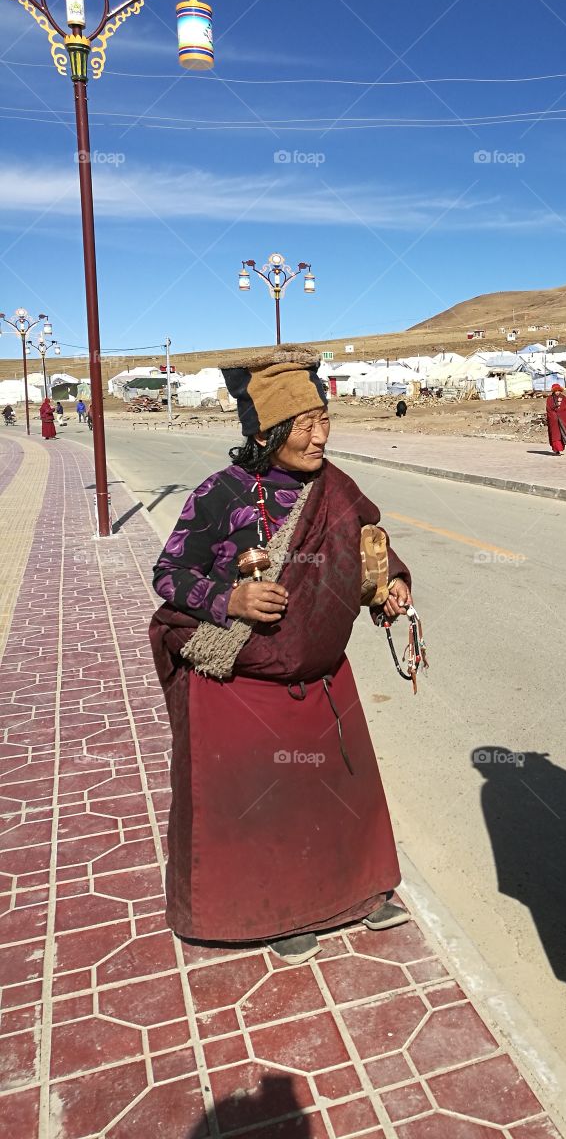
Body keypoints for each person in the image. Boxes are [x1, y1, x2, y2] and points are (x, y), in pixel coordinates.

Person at [150, 346, 413, 965]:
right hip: (242, 686)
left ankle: (352, 893)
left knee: (334, 798)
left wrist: (393, 583)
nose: (320, 435)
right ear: (267, 433)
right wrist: (230, 598)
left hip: (319, 677)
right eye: (304, 425)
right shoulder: (221, 493)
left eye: (324, 420)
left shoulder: (336, 489)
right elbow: (169, 573)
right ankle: (276, 912)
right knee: (263, 806)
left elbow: (371, 548)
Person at [545, 383, 566, 455]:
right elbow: (548, 409)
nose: (557, 392)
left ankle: (560, 448)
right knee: (555, 435)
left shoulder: (564, 398)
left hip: (562, 419)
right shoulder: (549, 399)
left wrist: (560, 412)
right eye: (556, 391)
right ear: (553, 391)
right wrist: (554, 415)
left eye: (559, 391)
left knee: (561, 434)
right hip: (554, 421)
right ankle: (557, 449)